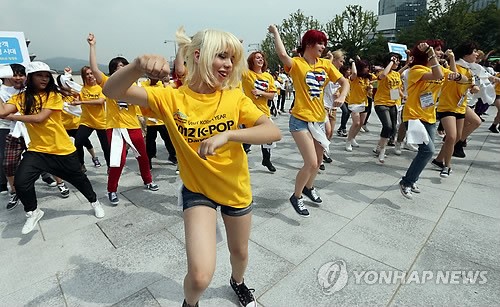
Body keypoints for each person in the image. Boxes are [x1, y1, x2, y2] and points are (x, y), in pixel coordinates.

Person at [102, 27, 281, 307]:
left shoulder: (234, 97)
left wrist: (230, 134)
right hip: (198, 192)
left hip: (236, 189)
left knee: (240, 254)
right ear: (198, 55)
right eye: (222, 56)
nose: (228, 65)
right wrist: (137, 66)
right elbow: (112, 91)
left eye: (232, 58)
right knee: (199, 277)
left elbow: (272, 131)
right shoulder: (172, 98)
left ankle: (238, 282)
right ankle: (191, 303)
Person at [0, 62, 105, 234]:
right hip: (37, 151)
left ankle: (94, 202)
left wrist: (15, 116)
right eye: (39, 75)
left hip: (61, 149)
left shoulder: (53, 96)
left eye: (46, 75)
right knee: (21, 183)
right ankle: (33, 212)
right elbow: (2, 111)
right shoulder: (20, 98)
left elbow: (40, 118)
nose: (44, 78)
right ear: (30, 77)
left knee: (80, 181)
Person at [268, 24, 349, 217]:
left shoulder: (326, 65)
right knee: (311, 163)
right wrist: (276, 33)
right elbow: (281, 54)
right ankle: (296, 196)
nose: (323, 47)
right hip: (300, 120)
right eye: (319, 43)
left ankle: (308, 187)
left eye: (324, 43)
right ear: (309, 44)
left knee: (319, 160)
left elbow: (344, 81)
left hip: (319, 120)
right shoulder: (297, 64)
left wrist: (343, 96)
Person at [87, 33, 158, 206]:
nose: (122, 69)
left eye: (124, 66)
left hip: (133, 127)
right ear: (112, 70)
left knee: (143, 156)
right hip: (115, 128)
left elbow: (146, 104)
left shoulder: (135, 86)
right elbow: (95, 70)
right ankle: (111, 190)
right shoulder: (107, 82)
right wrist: (92, 46)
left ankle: (148, 180)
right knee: (118, 161)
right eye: (118, 67)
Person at [398, 42, 447, 199]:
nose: (440, 53)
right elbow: (439, 76)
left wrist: (458, 75)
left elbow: (454, 76)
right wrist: (431, 53)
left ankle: (412, 180)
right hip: (414, 116)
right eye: (437, 50)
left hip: (429, 116)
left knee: (424, 153)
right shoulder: (416, 70)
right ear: (426, 53)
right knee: (428, 151)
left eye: (439, 50)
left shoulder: (436, 67)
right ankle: (406, 182)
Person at [431, 44, 476, 177]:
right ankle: (447, 166)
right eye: (474, 52)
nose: (477, 54)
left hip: (460, 107)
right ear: (465, 53)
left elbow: (466, 82)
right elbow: (455, 76)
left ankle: (440, 160)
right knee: (451, 136)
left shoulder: (470, 70)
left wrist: (474, 88)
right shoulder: (450, 67)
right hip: (447, 106)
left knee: (456, 137)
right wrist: (451, 60)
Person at [241, 51, 278, 172]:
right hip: (249, 113)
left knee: (267, 138)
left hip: (264, 112)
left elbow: (272, 95)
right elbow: (237, 64)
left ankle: (266, 159)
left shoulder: (268, 77)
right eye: (257, 58)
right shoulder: (247, 74)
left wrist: (261, 93)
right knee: (248, 138)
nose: (260, 60)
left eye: (262, 58)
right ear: (252, 60)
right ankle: (240, 160)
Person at [73, 65, 110, 170]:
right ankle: (81, 164)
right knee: (78, 142)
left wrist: (81, 101)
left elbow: (100, 102)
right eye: (87, 74)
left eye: (91, 73)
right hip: (87, 121)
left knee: (106, 147)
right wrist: (75, 99)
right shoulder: (82, 89)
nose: (90, 76)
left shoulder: (100, 88)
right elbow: (69, 89)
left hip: (101, 122)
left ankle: (109, 167)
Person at [373, 52, 403, 163]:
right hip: (381, 103)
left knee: (393, 127)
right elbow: (383, 75)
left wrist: (403, 96)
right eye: (396, 60)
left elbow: (396, 89)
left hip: (392, 104)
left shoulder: (396, 74)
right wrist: (391, 62)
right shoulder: (382, 72)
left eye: (398, 61)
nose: (397, 62)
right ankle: (382, 151)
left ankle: (379, 146)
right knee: (388, 126)